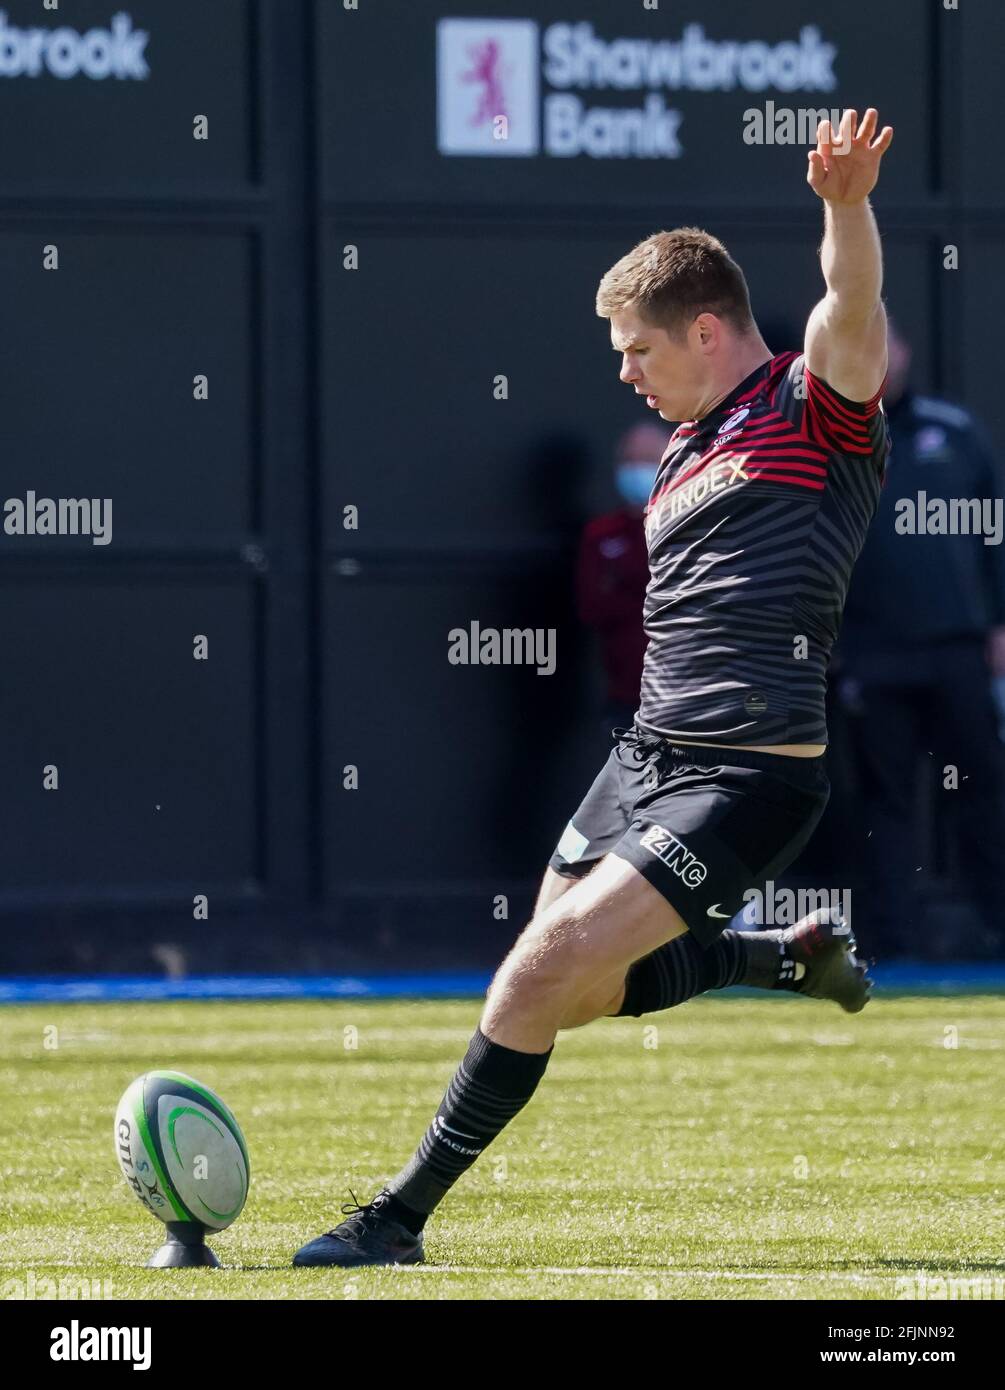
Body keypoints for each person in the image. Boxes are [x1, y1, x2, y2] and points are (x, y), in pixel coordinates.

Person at [292, 109, 893, 1268]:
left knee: (538, 973)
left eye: (638, 347)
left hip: (749, 776)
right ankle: (780, 959)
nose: (624, 371)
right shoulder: (678, 447)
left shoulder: (811, 412)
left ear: (706, 330)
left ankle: (395, 1221)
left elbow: (849, 306)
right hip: (645, 757)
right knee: (564, 984)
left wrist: (846, 202)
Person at [835, 319, 1005, 955]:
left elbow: (995, 534)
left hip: (957, 647)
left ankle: (997, 928)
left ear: (904, 350)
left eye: (887, 344)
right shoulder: (830, 439)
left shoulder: (955, 432)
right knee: (885, 802)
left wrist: (998, 623)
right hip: (872, 653)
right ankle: (894, 943)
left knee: (983, 789)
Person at [575, 423, 664, 739]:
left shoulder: (693, 529)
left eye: (649, 460)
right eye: (630, 461)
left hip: (686, 697)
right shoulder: (602, 534)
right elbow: (593, 606)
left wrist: (625, 583)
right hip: (624, 695)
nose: (638, 469)